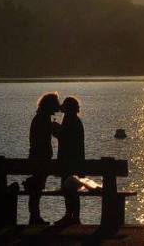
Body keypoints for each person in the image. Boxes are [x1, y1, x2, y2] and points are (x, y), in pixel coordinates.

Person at [26, 92, 61, 226]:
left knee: (37, 188)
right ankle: (34, 217)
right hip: (41, 159)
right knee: (37, 188)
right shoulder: (44, 119)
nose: (58, 106)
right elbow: (51, 136)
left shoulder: (39, 117)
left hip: (36, 157)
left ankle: (34, 216)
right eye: (56, 103)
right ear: (49, 105)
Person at [55, 96, 85, 226]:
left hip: (68, 162)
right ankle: (73, 216)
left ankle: (70, 216)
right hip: (77, 161)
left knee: (68, 189)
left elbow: (64, 137)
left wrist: (54, 129)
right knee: (72, 189)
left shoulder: (69, 120)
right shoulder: (75, 120)